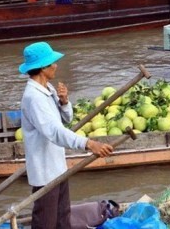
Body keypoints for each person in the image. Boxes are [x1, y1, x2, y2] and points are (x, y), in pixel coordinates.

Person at [19, 41, 114, 229]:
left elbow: (66, 120)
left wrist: (64, 102)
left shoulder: (49, 89)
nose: (56, 65)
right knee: (45, 221)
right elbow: (54, 132)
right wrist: (88, 143)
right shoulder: (33, 97)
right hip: (45, 169)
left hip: (57, 166)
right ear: (42, 68)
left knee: (63, 218)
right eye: (52, 63)